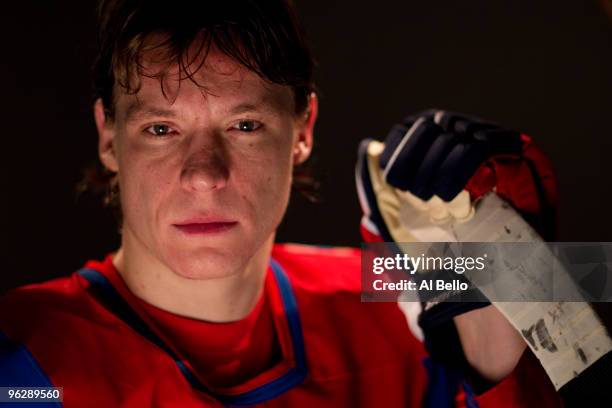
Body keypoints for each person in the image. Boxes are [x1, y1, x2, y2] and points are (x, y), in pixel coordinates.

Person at [0, 0, 588, 406]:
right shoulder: (24, 356)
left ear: (303, 127)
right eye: (161, 129)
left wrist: (527, 274)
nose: (204, 175)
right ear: (108, 137)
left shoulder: (381, 286)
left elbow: (593, 281)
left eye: (245, 124)